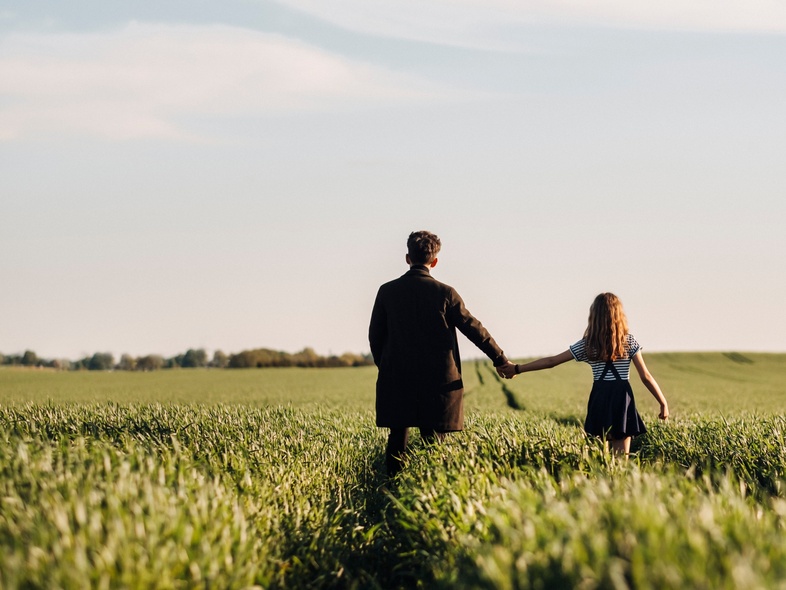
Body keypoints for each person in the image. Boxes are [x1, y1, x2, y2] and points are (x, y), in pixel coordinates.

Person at [369, 230, 515, 477]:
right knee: (434, 441)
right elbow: (474, 328)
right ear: (434, 261)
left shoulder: (387, 291)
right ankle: (430, 492)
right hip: (438, 382)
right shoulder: (445, 293)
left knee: (397, 437)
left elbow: (375, 336)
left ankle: (391, 493)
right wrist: (500, 359)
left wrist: (386, 366)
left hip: (398, 377)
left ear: (407, 258)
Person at [500, 292, 668, 456]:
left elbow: (551, 362)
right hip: (622, 400)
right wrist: (663, 403)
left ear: (594, 316)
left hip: (600, 398)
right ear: (619, 315)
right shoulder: (629, 342)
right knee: (622, 458)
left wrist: (517, 369)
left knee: (599, 456)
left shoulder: (588, 345)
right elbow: (645, 376)